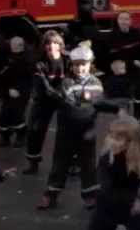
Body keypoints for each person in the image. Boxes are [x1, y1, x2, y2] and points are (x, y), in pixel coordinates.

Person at [36, 45, 121, 210]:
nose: (80, 68)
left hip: (87, 130)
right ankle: (51, 194)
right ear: (71, 65)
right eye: (76, 64)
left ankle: (90, 195)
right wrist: (79, 99)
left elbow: (97, 102)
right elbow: (72, 104)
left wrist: (117, 109)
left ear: (90, 65)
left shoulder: (96, 83)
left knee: (88, 164)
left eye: (84, 64)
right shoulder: (66, 82)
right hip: (66, 131)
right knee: (60, 163)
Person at [25, 30, 68, 175]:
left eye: (55, 43)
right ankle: (33, 162)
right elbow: (45, 88)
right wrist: (60, 95)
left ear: (60, 45)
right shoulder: (39, 64)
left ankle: (72, 163)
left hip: (64, 98)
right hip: (44, 100)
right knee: (35, 130)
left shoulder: (67, 60)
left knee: (70, 130)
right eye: (48, 44)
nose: (51, 46)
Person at [107, 11, 140, 122]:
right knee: (123, 92)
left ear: (130, 21)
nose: (124, 21)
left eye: (126, 19)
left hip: (138, 66)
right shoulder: (112, 37)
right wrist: (132, 62)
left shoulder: (138, 33)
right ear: (117, 21)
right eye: (121, 19)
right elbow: (114, 55)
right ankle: (125, 117)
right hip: (122, 66)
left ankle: (138, 116)